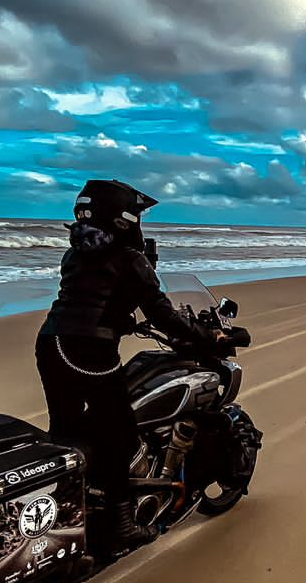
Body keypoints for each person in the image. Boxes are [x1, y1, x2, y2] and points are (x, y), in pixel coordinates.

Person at [35, 179, 224, 555]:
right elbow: (162, 312)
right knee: (120, 433)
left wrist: (124, 320)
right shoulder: (128, 257)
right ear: (122, 218)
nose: (140, 223)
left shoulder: (76, 252)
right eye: (137, 215)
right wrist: (205, 337)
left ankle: (75, 504)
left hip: (51, 343)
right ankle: (121, 522)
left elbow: (93, 298)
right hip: (88, 351)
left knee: (68, 430)